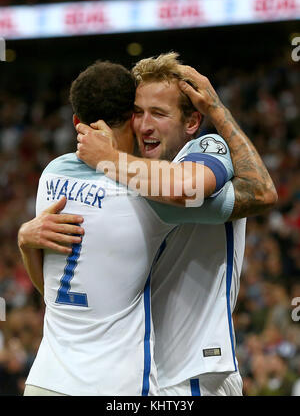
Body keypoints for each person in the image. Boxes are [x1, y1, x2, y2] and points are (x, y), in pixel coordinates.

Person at [19, 54, 277, 396]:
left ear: (191, 122)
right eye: (137, 113)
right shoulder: (129, 177)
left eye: (158, 113)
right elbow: (60, 294)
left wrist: (218, 110)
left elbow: (259, 191)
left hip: (195, 370)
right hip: (145, 371)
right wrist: (26, 239)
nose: (144, 125)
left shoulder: (204, 150)